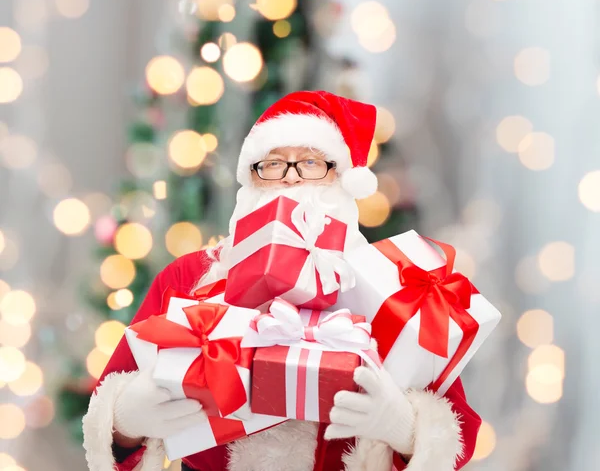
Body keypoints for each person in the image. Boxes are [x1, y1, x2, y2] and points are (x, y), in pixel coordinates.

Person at [82, 91, 482, 471]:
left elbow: (458, 434)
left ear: (341, 178)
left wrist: (405, 428)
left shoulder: (392, 290)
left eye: (311, 162)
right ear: (252, 179)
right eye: (273, 164)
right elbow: (109, 408)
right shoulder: (191, 276)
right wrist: (125, 421)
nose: (291, 178)